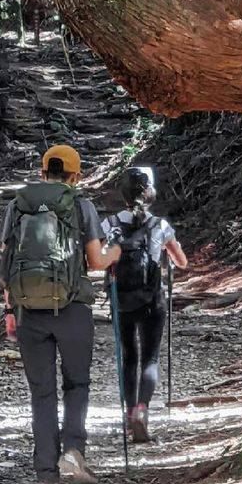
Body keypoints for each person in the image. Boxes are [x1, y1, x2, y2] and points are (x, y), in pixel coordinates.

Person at [0, 144, 120, 484]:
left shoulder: (17, 205)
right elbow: (96, 262)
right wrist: (116, 253)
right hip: (73, 309)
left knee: (42, 394)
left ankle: (46, 476)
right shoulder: (81, 206)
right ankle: (72, 451)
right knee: (76, 384)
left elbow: (7, 266)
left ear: (42, 172)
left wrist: (10, 311)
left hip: (28, 314)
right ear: (75, 175)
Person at [105, 166, 187, 444]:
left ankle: (129, 416)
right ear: (150, 193)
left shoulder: (110, 224)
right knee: (149, 358)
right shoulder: (160, 226)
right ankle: (142, 410)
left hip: (121, 299)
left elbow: (98, 258)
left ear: (123, 193)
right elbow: (181, 262)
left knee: (129, 357)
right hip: (153, 300)